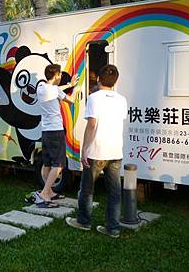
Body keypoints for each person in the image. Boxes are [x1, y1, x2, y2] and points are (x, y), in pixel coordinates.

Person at [66, 64, 128, 237]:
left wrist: (84, 149)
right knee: (114, 192)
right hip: (115, 151)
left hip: (96, 151)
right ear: (115, 81)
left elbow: (92, 125)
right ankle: (113, 228)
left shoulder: (94, 98)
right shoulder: (122, 99)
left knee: (87, 189)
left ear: (99, 79)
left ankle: (83, 221)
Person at [33, 64, 79, 208]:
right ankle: (44, 194)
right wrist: (76, 89)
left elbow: (56, 89)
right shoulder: (55, 90)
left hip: (46, 131)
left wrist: (69, 85)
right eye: (60, 75)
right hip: (56, 131)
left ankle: (49, 191)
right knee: (58, 165)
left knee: (47, 164)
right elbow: (71, 100)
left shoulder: (41, 88)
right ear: (56, 75)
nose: (61, 77)